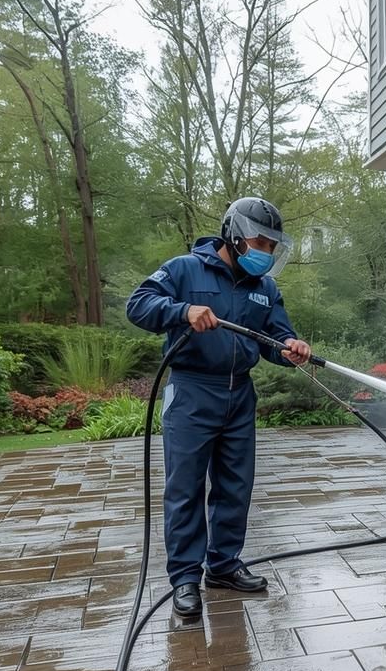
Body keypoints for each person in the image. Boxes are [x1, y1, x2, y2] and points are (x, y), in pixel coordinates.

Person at [126, 197, 312, 618]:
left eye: (271, 247)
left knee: (235, 486)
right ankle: (186, 578)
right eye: (258, 243)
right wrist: (182, 310)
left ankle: (224, 566)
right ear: (233, 233)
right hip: (192, 390)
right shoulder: (183, 269)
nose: (264, 253)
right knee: (185, 488)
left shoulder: (264, 288)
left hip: (239, 395)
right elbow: (137, 304)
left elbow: (277, 339)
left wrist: (292, 349)